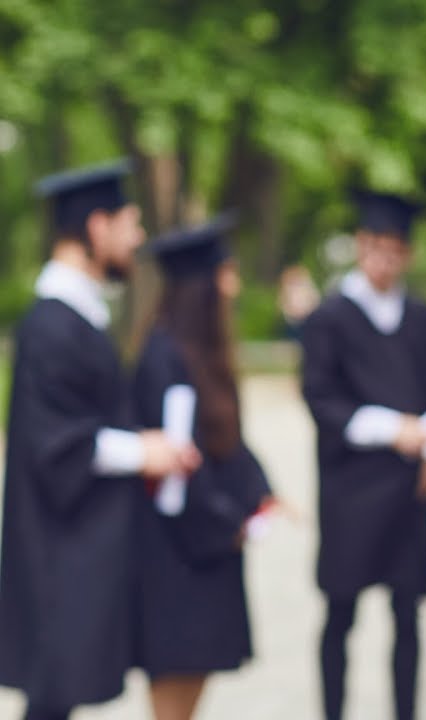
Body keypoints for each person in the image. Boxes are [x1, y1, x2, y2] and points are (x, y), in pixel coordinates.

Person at [0, 160, 200, 720]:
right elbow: (55, 443)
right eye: (129, 225)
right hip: (57, 548)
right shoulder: (52, 324)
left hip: (73, 543)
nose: (137, 240)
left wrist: (147, 442)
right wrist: (144, 451)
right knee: (51, 697)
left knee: (57, 697)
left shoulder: (76, 316)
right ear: (96, 226)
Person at [301, 190, 426, 720]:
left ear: (406, 254)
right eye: (375, 247)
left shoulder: (422, 320)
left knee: (407, 612)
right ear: (360, 247)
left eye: (394, 250)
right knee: (340, 610)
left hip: (407, 489)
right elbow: (321, 399)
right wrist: (395, 430)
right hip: (351, 486)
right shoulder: (330, 319)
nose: (384, 259)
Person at [132, 215, 276, 720]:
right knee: (173, 700)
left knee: (193, 693)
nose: (234, 286)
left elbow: (226, 444)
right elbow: (179, 466)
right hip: (177, 559)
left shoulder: (201, 357)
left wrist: (262, 493)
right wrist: (228, 523)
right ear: (202, 287)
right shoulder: (164, 358)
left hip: (206, 554)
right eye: (226, 274)